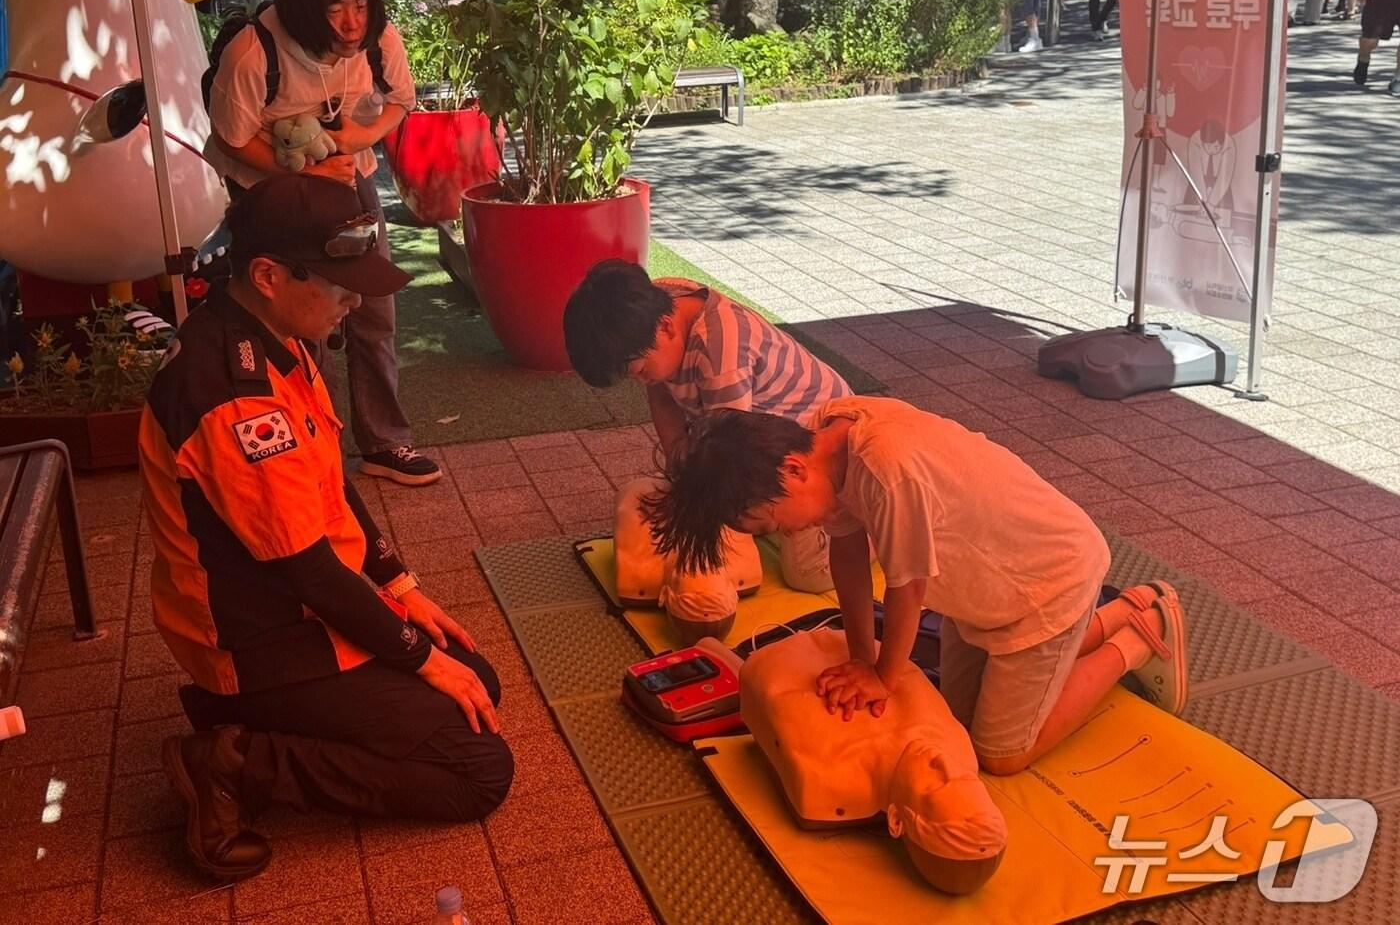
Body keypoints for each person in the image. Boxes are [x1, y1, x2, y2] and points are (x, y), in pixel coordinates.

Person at [139, 175, 514, 879]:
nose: (357, 299)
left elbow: (331, 481)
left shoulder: (275, 334)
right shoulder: (232, 393)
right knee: (478, 768)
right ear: (269, 275)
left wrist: (401, 587)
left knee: (478, 686)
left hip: (302, 606)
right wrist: (416, 655)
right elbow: (305, 568)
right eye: (341, 285)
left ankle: (248, 732)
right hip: (263, 640)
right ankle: (236, 762)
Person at [643, 397, 1189, 776]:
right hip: (982, 598)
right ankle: (1123, 608)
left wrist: (884, 674)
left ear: (791, 470)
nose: (780, 533)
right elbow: (849, 553)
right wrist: (862, 656)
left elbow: (907, 587)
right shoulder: (829, 436)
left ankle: (1138, 635)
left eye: (767, 522)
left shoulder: (886, 469)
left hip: (1046, 582)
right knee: (954, 720)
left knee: (997, 754)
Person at [204, 0, 441, 487]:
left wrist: (357, 142)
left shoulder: (379, 41)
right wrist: (307, 169)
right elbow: (233, 138)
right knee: (300, 317)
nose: (353, 21)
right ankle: (314, 445)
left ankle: (385, 444)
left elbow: (402, 100)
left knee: (372, 307)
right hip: (270, 195)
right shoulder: (252, 52)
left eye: (361, 3)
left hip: (347, 178)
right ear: (303, 7)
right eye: (337, 7)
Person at [564, 259, 852, 591]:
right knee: (657, 499)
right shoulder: (657, 304)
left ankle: (868, 528)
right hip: (757, 443)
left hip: (817, 455)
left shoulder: (721, 361)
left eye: (640, 370)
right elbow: (660, 393)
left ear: (667, 328)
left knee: (806, 573)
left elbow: (730, 461)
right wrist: (678, 472)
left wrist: (692, 511)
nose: (641, 380)